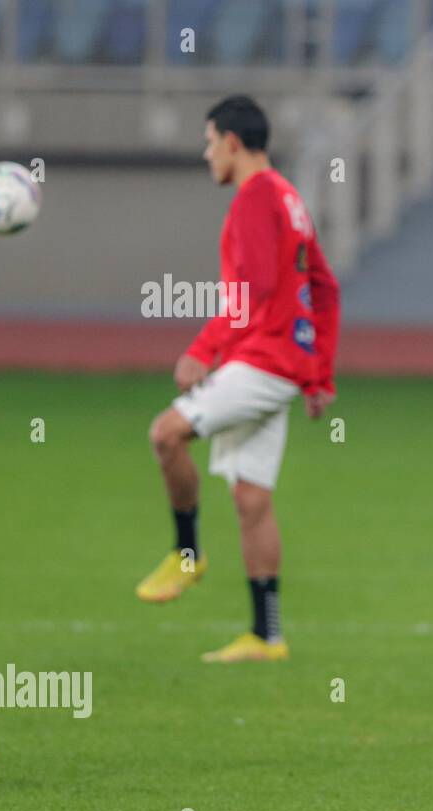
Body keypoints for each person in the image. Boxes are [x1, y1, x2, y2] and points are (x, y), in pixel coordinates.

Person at [136, 95, 340, 663]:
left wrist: (204, 349)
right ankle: (266, 635)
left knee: (165, 433)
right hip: (286, 364)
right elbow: (324, 288)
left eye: (208, 142)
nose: (206, 154)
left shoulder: (255, 197)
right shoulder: (289, 197)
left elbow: (254, 292)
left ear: (231, 141)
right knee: (252, 499)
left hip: (262, 359)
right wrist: (319, 371)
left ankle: (186, 555)